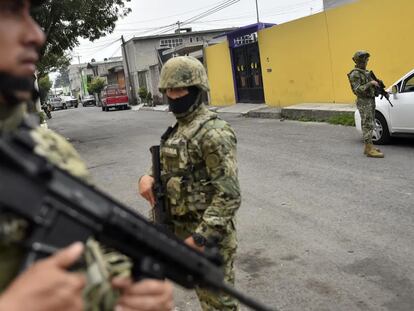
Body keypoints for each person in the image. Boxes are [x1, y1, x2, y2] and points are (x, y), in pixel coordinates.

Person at [0, 1, 173, 310]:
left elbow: (89, 243)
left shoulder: (46, 146)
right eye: (10, 12)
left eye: (31, 15)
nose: (36, 35)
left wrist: (124, 293)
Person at [138, 56, 241, 311]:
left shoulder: (213, 132)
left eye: (179, 89)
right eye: (168, 90)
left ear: (196, 90)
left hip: (207, 238)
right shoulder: (179, 129)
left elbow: (229, 195)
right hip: (179, 231)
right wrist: (146, 177)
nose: (173, 96)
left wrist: (200, 239)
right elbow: (169, 171)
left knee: (218, 305)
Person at [347, 50, 384, 158]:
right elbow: (357, 89)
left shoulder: (365, 72)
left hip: (370, 100)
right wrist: (370, 83)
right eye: (364, 60)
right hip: (364, 101)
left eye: (366, 60)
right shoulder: (355, 74)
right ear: (359, 61)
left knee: (371, 122)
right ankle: (369, 149)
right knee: (367, 124)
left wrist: (377, 83)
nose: (366, 62)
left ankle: (369, 146)